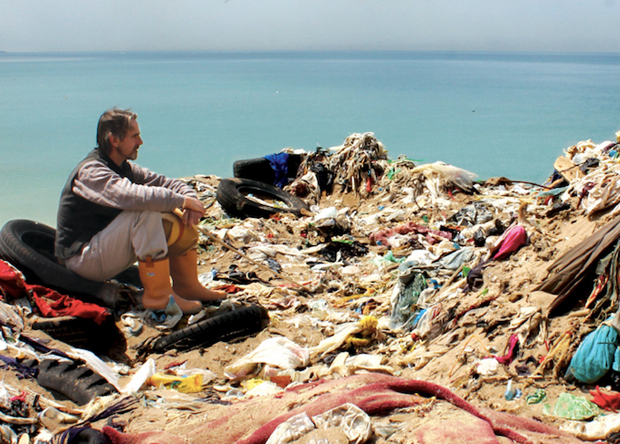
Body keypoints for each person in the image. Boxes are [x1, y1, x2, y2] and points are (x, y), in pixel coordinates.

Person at [55, 108, 226, 314]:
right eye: (134, 136)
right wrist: (182, 201)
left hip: (103, 252)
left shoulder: (124, 167)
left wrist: (190, 201)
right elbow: (132, 197)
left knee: (176, 218)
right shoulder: (92, 171)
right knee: (145, 211)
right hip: (81, 260)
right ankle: (158, 296)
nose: (140, 142)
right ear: (114, 140)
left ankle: (187, 287)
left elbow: (166, 183)